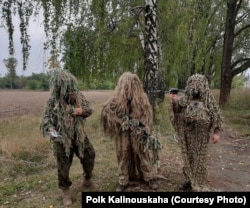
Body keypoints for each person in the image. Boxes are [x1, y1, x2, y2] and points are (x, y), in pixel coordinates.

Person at [40, 70, 95, 206]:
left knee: (89, 155)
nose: (67, 90)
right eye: (63, 86)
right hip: (61, 138)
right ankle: (65, 190)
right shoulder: (53, 101)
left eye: (69, 86)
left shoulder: (79, 97)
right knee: (63, 166)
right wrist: (50, 128)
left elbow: (89, 109)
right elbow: (46, 118)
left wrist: (81, 111)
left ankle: (87, 178)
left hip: (79, 135)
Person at [100, 72, 161, 192]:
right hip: (123, 134)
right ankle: (123, 180)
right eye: (125, 85)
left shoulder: (142, 99)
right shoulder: (116, 99)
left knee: (143, 154)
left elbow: (148, 115)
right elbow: (106, 113)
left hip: (138, 133)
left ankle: (149, 178)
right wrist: (120, 121)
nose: (128, 88)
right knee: (123, 155)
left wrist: (141, 126)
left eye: (131, 85)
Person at [169, 73, 222, 191]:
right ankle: (190, 180)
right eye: (193, 85)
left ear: (204, 86)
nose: (196, 88)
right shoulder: (186, 99)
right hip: (188, 134)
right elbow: (177, 110)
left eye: (198, 85)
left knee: (199, 158)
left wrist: (216, 132)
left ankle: (199, 182)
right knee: (189, 157)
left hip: (202, 135)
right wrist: (174, 101)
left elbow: (216, 115)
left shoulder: (208, 100)